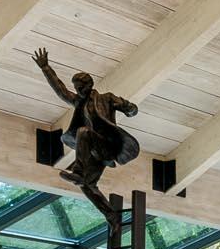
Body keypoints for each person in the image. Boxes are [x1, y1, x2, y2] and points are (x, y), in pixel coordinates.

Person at [33, 46, 140, 194]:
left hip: (108, 145)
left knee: (83, 132)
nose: (78, 91)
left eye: (81, 88)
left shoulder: (106, 99)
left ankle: (78, 171)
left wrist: (130, 108)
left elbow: (131, 109)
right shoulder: (79, 102)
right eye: (76, 88)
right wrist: (46, 68)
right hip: (93, 148)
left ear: (90, 85)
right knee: (88, 186)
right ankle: (110, 214)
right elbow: (61, 91)